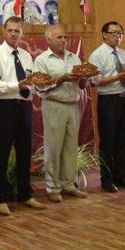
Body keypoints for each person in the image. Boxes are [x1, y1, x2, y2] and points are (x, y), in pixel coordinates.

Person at [0, 16, 46, 215]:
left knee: (25, 151)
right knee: (2, 152)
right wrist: (17, 85)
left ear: (22, 33)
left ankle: (25, 194)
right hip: (6, 106)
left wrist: (39, 85)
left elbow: (32, 81)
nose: (13, 34)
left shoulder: (26, 56)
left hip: (25, 106)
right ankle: (0, 198)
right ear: (4, 32)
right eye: (10, 30)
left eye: (17, 31)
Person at [34, 25, 88, 202]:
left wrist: (84, 80)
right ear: (48, 40)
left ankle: (69, 184)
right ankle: (52, 187)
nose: (64, 40)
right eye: (59, 37)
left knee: (71, 148)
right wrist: (62, 78)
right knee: (54, 148)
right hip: (54, 105)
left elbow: (82, 84)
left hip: (73, 105)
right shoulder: (42, 60)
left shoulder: (74, 57)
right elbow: (40, 86)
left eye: (65, 37)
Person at [88, 21, 125, 193]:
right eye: (114, 33)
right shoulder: (97, 55)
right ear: (104, 34)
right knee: (108, 141)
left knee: (123, 139)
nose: (117, 36)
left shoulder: (123, 53)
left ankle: (121, 175)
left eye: (120, 33)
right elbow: (95, 80)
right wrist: (118, 77)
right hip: (108, 100)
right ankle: (107, 179)